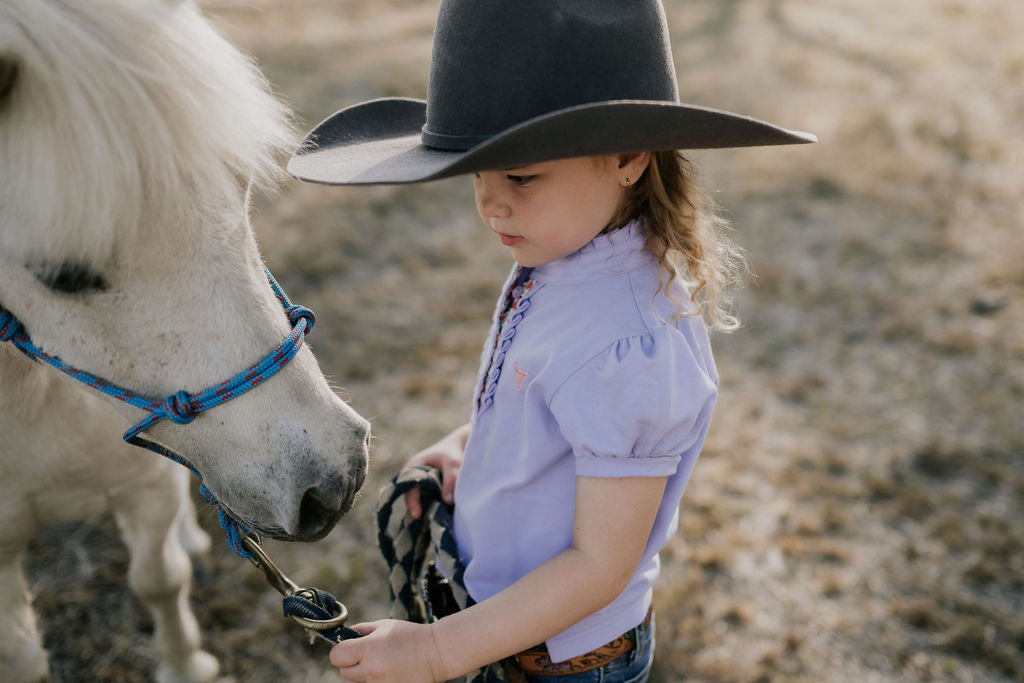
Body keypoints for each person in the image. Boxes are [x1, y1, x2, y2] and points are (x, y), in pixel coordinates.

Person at [288, 1, 814, 681]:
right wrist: (470, 447)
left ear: (626, 155)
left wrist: (436, 649)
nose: (490, 204)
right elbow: (543, 406)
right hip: (505, 625)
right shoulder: (562, 257)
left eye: (520, 176)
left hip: (564, 663)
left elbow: (600, 564)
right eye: (474, 172)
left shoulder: (629, 344)